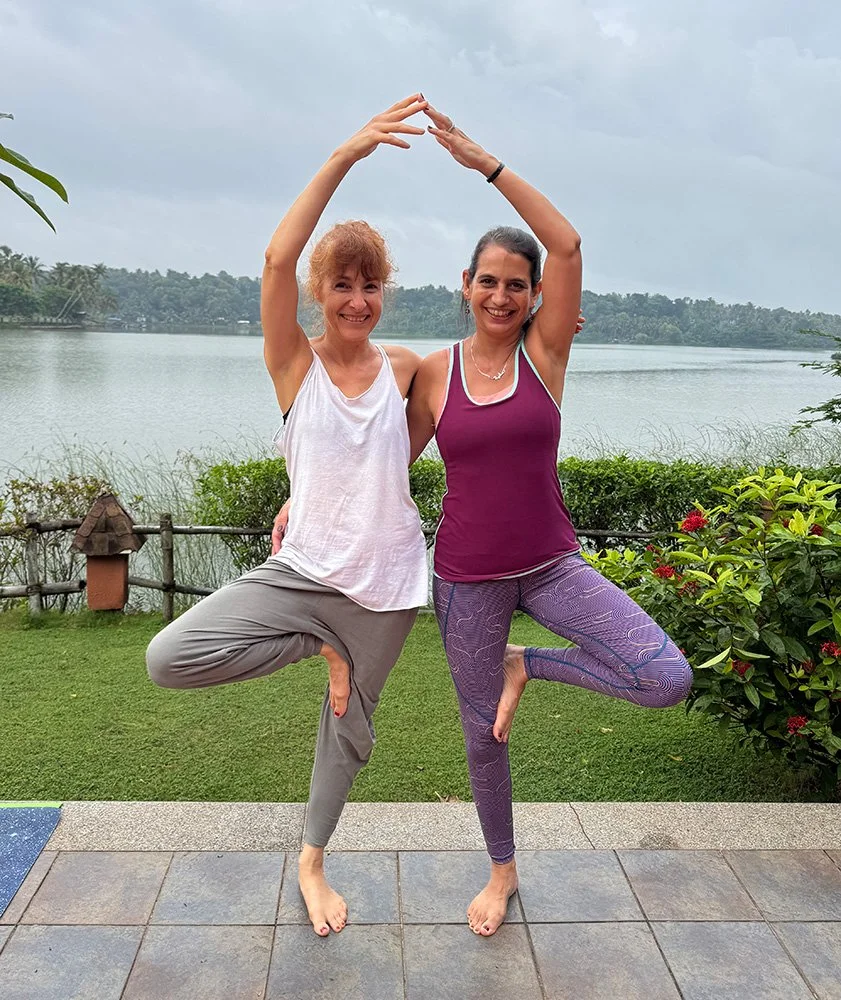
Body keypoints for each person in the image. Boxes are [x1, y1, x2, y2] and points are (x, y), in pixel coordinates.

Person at [405, 103, 694, 937]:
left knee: (663, 677)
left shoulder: (546, 354)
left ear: (535, 296)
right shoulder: (432, 373)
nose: (500, 294)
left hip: (550, 565)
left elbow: (566, 243)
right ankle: (502, 872)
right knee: (481, 737)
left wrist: (483, 162)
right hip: (464, 580)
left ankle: (524, 663)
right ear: (465, 286)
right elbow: (387, 468)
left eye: (515, 284)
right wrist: (299, 501)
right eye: (486, 280)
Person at [146, 95, 430, 937]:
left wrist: (549, 322)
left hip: (383, 586)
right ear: (318, 290)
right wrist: (345, 153)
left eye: (369, 284)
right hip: (302, 571)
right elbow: (273, 259)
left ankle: (311, 862)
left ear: (383, 292)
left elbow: (406, 449)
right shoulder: (292, 364)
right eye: (341, 284)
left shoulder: (410, 368)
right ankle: (318, 646)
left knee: (347, 737)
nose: (356, 299)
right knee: (169, 656)